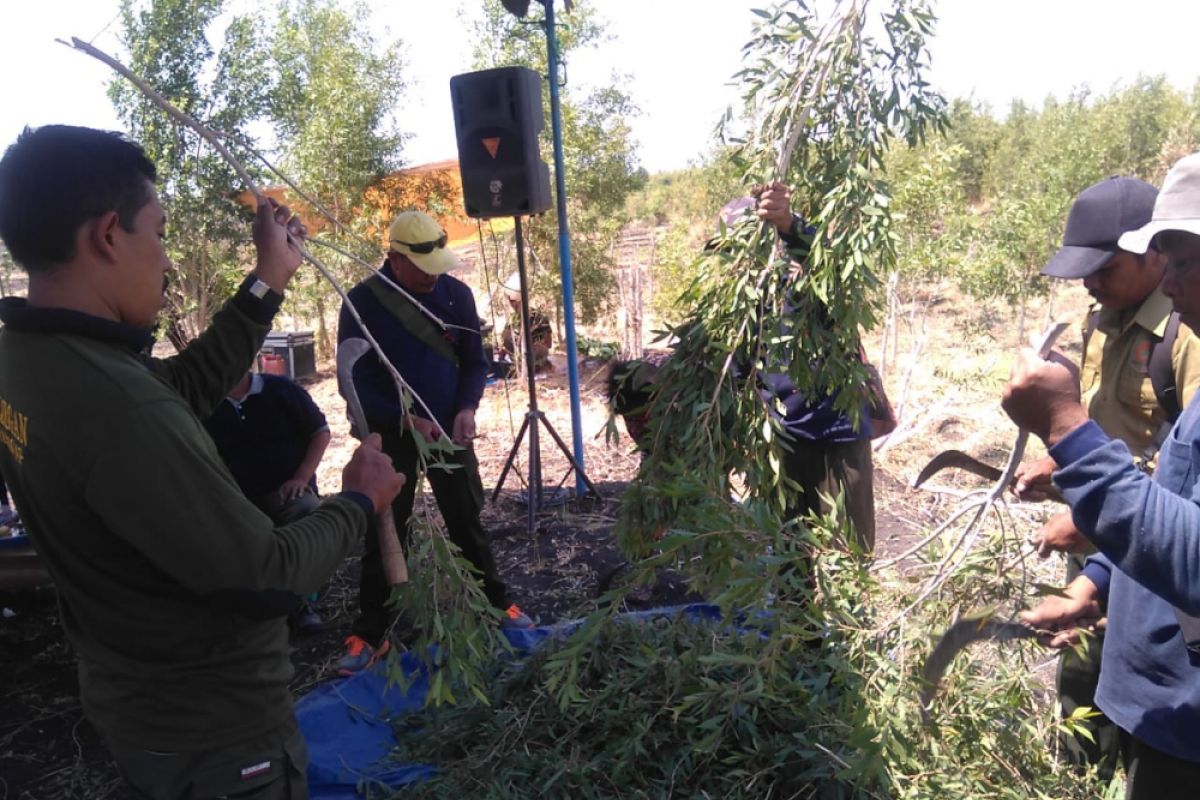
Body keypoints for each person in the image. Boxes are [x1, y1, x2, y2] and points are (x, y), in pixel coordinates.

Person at [0, 124, 405, 800]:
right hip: (217, 736)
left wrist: (268, 280)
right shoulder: (119, 409)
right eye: (157, 233)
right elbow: (267, 577)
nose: (163, 260)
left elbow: (176, 388)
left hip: (136, 702)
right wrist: (358, 502)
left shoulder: (28, 360)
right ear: (107, 235)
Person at [1010, 151, 1200, 798]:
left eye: (1183, 262)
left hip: (1151, 574)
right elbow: (1159, 462)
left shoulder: (1187, 339)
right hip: (1114, 541)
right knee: (1084, 681)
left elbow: (1183, 525)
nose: (1090, 283)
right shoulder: (1107, 321)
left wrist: (1067, 436)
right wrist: (1062, 465)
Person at [337, 209, 532, 675]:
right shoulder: (363, 303)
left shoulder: (455, 295)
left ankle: (495, 605)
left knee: (466, 519)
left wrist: (466, 408)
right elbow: (354, 378)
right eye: (424, 270)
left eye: (438, 267)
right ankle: (371, 633)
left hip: (447, 429)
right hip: (393, 433)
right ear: (396, 260)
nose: (433, 278)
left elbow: (473, 361)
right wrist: (403, 419)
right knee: (387, 526)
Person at [753, 182, 879, 551]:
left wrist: (789, 224)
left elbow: (832, 267)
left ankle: (850, 608)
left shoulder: (810, 278)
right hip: (784, 436)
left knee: (849, 547)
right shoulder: (745, 299)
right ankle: (795, 609)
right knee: (791, 548)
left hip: (838, 431)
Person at [204, 370, 335, 633]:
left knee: (306, 514)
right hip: (236, 499)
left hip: (288, 494)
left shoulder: (281, 390)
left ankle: (302, 604)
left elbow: (320, 433)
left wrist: (300, 478)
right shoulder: (207, 402)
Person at [497, 271, 554, 373]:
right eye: (511, 302)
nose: (513, 305)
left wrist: (533, 342)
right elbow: (503, 346)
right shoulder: (512, 321)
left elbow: (548, 344)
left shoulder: (539, 317)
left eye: (514, 302)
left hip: (535, 357)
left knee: (538, 349)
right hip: (520, 360)